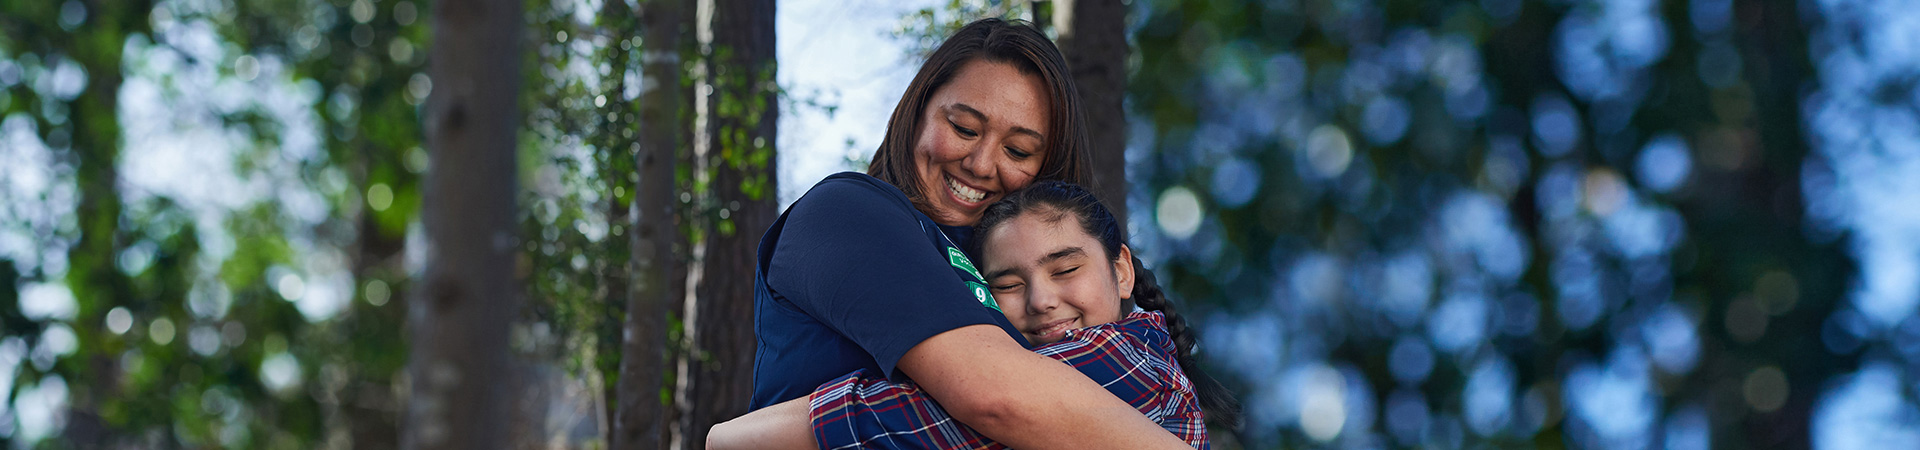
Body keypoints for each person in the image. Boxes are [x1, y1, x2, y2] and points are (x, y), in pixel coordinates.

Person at [727, 18, 1195, 450]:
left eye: (1018, 149)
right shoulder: (847, 213)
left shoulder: (1104, 340)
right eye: (964, 128)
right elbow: (997, 398)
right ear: (918, 112)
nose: (981, 163)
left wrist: (770, 434)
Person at [713, 181, 1242, 449]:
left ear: (1121, 270)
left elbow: (916, 420)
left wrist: (733, 436)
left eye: (1065, 269)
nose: (1040, 300)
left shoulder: (1127, 362)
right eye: (1007, 284)